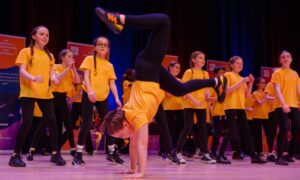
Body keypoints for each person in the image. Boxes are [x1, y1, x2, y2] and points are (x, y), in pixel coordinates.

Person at [95, 7, 227, 178]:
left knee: (164, 21)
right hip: (149, 71)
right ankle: (216, 82)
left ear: (125, 125)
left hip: (147, 71)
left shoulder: (136, 117)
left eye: (120, 136)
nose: (122, 139)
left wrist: (141, 173)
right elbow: (135, 145)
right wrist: (132, 169)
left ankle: (121, 19)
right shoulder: (130, 120)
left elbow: (142, 145)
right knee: (180, 89)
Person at [9, 26, 66, 167]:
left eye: (47, 34)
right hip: (28, 91)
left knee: (53, 122)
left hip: (45, 93)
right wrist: (33, 78)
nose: (45, 37)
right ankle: (15, 155)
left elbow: (52, 74)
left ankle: (54, 154)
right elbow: (22, 71)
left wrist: (55, 78)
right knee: (27, 121)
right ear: (34, 36)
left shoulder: (50, 56)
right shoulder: (26, 52)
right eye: (42, 34)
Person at [72, 35, 123, 166]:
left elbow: (112, 83)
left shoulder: (109, 65)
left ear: (108, 49)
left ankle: (111, 153)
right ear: (94, 47)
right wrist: (89, 91)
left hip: (102, 98)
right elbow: (86, 77)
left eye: (105, 45)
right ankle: (78, 154)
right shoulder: (89, 59)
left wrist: (117, 98)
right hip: (89, 96)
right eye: (100, 44)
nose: (102, 46)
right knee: (87, 122)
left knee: (109, 124)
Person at [221, 56, 267, 164]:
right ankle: (220, 155)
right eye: (237, 63)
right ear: (231, 65)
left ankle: (253, 156)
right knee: (231, 132)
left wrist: (250, 84)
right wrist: (242, 82)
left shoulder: (241, 77)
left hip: (241, 107)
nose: (240, 65)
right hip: (230, 106)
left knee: (247, 131)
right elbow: (227, 91)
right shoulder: (227, 75)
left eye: (241, 63)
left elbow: (247, 95)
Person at [175, 51, 216, 164]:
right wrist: (193, 99)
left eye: (204, 58)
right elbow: (183, 88)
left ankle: (205, 153)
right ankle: (177, 152)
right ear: (193, 60)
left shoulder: (205, 74)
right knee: (187, 127)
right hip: (189, 104)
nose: (203, 60)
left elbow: (207, 87)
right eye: (200, 58)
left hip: (202, 105)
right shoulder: (189, 72)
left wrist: (207, 95)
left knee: (203, 129)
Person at [271, 50, 300, 165]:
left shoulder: (295, 74)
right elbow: (277, 89)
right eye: (283, 57)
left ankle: (290, 153)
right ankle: (279, 156)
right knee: (283, 128)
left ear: (291, 59)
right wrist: (284, 104)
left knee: (298, 127)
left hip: (293, 104)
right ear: (280, 60)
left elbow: (298, 90)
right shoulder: (277, 73)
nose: (285, 58)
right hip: (281, 104)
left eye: (288, 56)